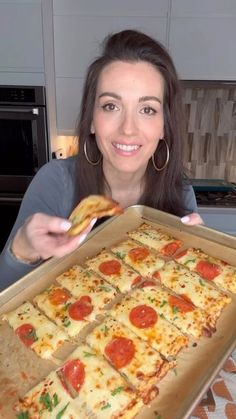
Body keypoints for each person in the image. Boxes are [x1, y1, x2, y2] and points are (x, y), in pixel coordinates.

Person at [0, 29, 203, 291]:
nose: (128, 129)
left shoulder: (181, 193)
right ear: (92, 119)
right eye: (111, 106)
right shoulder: (55, 182)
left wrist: (196, 266)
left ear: (164, 126)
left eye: (147, 109)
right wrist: (22, 251)